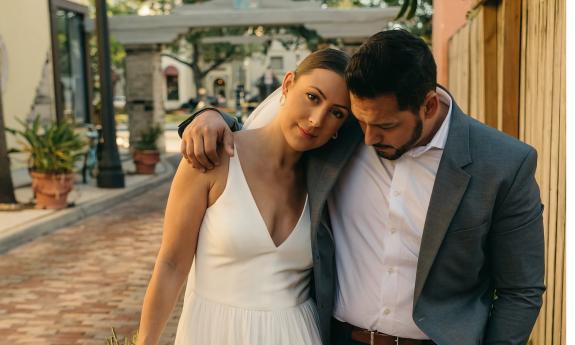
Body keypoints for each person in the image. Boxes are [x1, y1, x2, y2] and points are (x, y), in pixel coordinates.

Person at [178, 29, 545, 345]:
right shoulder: (344, 134)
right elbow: (281, 128)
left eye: (385, 126)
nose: (368, 138)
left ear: (429, 105)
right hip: (339, 338)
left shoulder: (503, 164)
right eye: (360, 120)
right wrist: (212, 117)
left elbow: (521, 289)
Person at [136, 48, 352, 345]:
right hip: (214, 332)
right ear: (288, 85)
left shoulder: (327, 183)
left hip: (298, 334)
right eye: (313, 97)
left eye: (336, 112)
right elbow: (171, 264)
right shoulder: (213, 159)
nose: (316, 120)